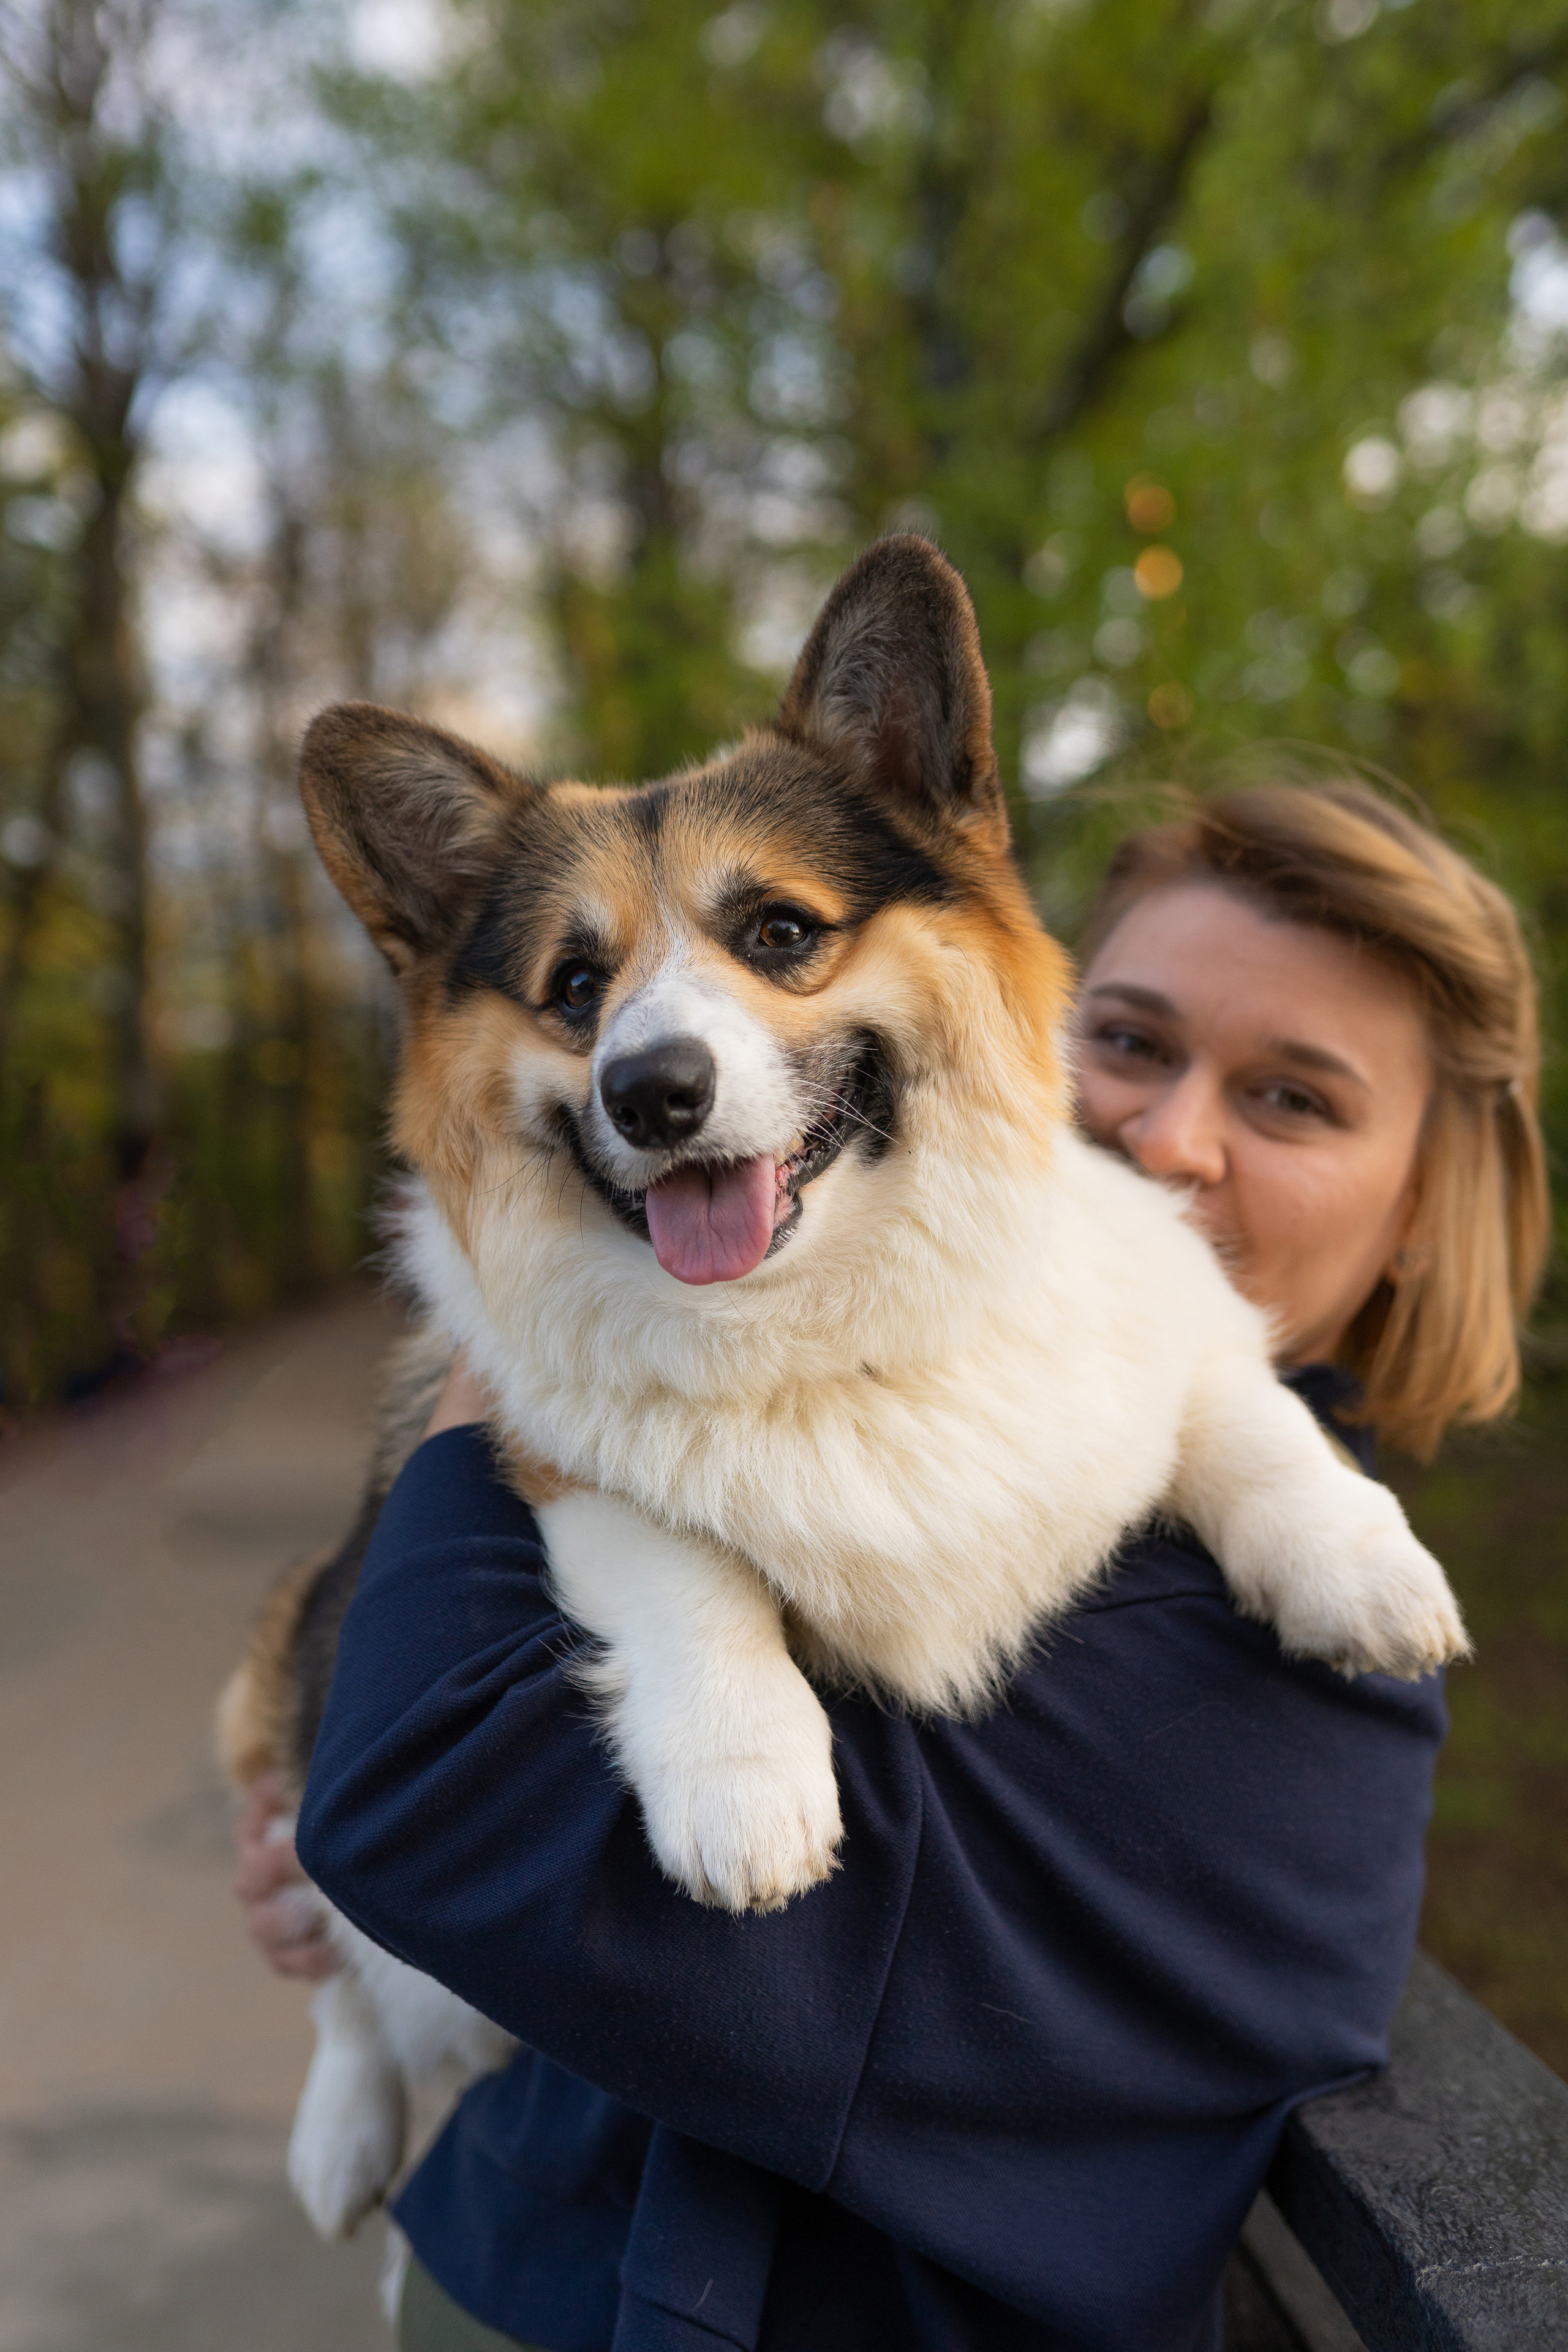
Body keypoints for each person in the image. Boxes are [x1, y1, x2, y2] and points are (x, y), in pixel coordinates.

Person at [235, 780, 1548, 2352]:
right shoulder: (884, 1331)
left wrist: (483, 1406)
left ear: (1423, 1205)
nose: (1166, 1137)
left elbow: (431, 1812)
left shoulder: (1301, 1683)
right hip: (509, 2235)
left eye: (1293, 1102)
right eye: (1126, 1042)